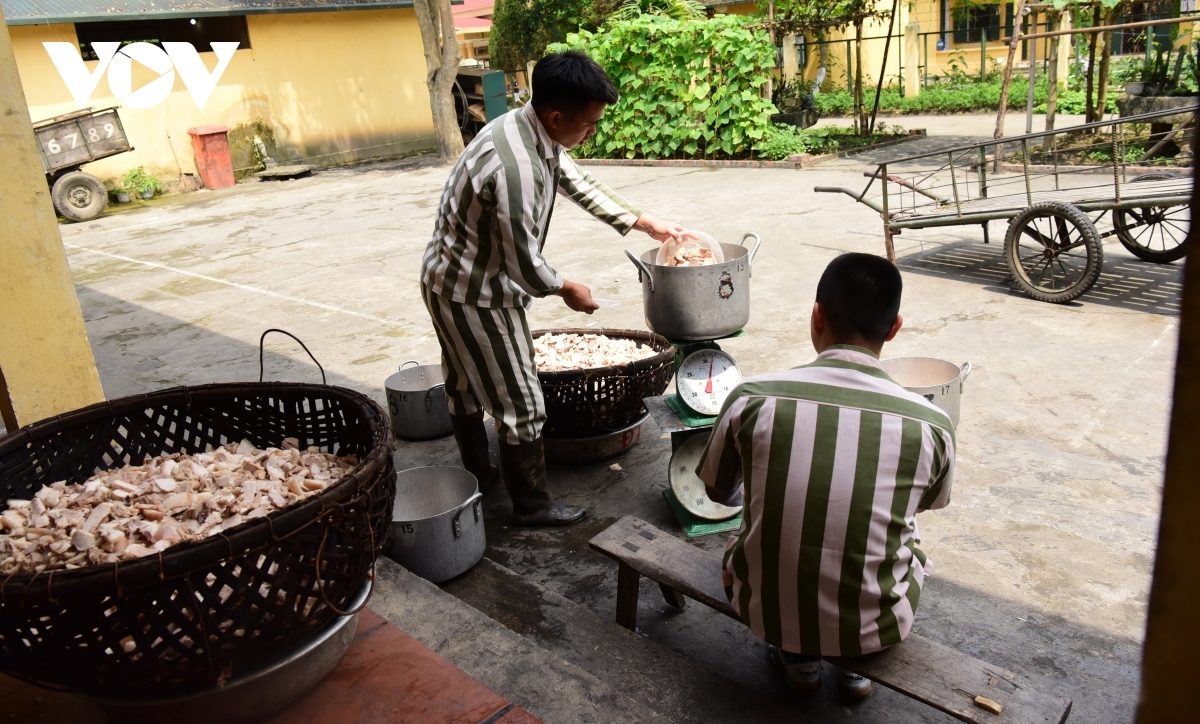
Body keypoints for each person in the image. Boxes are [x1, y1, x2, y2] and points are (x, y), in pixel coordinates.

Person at [420, 50, 684, 527]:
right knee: (522, 403)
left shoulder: (530, 127)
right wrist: (567, 289)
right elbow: (524, 264)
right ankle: (532, 506)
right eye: (588, 125)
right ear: (557, 115)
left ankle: (481, 474)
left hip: (448, 281)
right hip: (475, 293)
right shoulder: (513, 166)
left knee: (463, 386)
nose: (591, 134)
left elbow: (577, 181)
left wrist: (646, 224)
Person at [696, 253, 956, 699]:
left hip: (763, 610)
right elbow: (926, 504)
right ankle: (858, 665)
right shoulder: (931, 423)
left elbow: (718, 493)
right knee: (912, 550)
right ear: (893, 329)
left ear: (816, 315)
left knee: (744, 538)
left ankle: (797, 659)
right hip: (878, 625)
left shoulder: (752, 398)